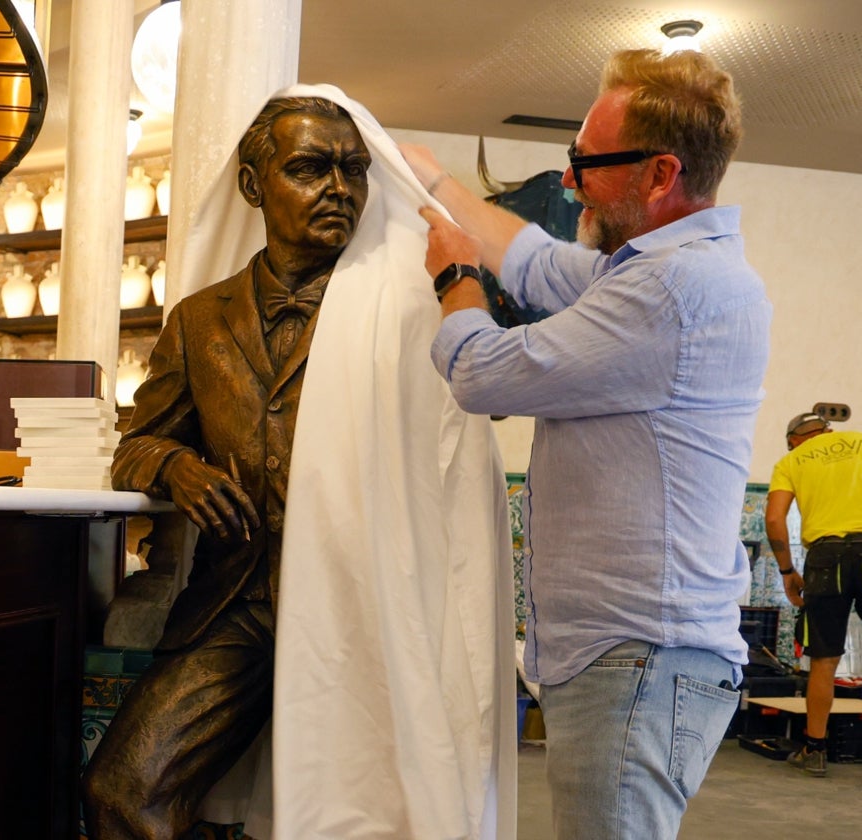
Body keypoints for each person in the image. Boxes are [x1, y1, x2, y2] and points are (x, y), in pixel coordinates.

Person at [83, 89, 515, 840]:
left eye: (354, 170)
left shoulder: (413, 306)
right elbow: (137, 444)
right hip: (241, 602)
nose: (339, 190)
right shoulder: (200, 319)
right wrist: (176, 468)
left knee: (364, 813)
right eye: (311, 168)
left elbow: (485, 403)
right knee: (124, 788)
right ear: (256, 186)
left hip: (366, 597)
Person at [400, 48, 771, 839]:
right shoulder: (644, 269)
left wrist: (452, 279)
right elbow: (532, 261)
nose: (568, 182)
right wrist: (433, 185)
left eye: (586, 164)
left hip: (638, 658)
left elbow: (481, 371)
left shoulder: (673, 288)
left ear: (660, 174)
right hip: (631, 657)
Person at [765, 411, 862, 784]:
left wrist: (788, 571)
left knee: (824, 659)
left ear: (794, 440)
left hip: (825, 557)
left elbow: (773, 520)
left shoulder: (790, 461)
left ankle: (814, 751)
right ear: (828, 430)